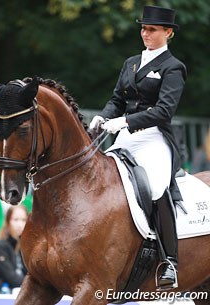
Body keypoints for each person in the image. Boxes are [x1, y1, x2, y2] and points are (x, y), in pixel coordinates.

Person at [89, 5, 186, 290]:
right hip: (126, 136)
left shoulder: (173, 67)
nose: (146, 33)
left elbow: (164, 111)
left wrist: (124, 122)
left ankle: (170, 262)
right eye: (143, 28)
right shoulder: (131, 62)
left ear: (168, 32)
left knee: (156, 188)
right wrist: (104, 116)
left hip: (154, 138)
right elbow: (117, 99)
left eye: (152, 29)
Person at [0, 205, 28, 293]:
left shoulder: (26, 245)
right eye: (15, 220)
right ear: (8, 222)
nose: (20, 224)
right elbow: (10, 277)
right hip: (1, 294)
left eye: (23, 220)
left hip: (22, 291)